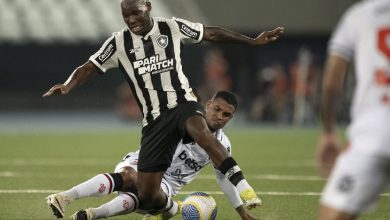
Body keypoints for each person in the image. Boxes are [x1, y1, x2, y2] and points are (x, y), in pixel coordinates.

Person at [44, 0, 284, 218]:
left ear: (148, 7)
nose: (131, 21)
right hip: (154, 121)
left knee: (205, 136)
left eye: (135, 14)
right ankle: (168, 208)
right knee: (147, 195)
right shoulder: (119, 43)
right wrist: (67, 85)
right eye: (126, 16)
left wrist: (251, 41)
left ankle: (246, 188)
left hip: (182, 103)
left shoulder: (172, 27)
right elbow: (89, 67)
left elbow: (210, 33)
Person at [46, 91, 259, 220]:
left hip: (167, 186)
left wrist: (243, 213)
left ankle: (92, 214)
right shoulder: (186, 118)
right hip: (144, 162)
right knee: (130, 177)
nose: (219, 117)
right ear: (208, 105)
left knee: (143, 197)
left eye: (226, 114)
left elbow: (224, 180)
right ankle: (65, 197)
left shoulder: (222, 145)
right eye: (217, 109)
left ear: (232, 117)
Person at [316, 0, 390, 219]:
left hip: (374, 133)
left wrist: (328, 131)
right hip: (374, 132)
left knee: (332, 213)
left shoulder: (359, 15)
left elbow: (331, 83)